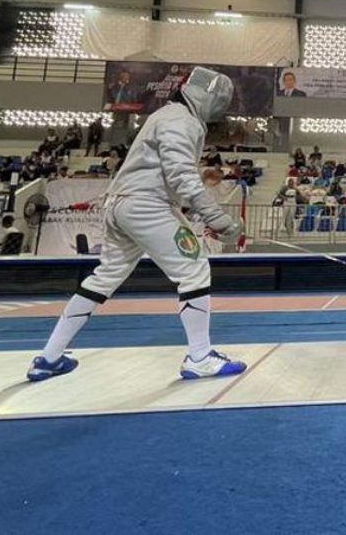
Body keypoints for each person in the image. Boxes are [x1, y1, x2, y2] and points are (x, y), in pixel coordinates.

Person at [26, 66, 247, 382]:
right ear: (208, 97)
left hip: (122, 205)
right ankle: (199, 357)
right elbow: (180, 174)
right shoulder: (181, 120)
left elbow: (168, 172)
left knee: (105, 276)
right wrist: (216, 217)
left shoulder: (168, 115)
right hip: (146, 205)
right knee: (195, 267)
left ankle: (49, 358)